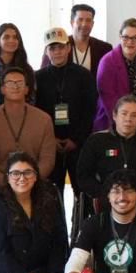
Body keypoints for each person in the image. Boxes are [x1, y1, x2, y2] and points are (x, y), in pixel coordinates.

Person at [35, 26, 96, 201]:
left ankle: (82, 220)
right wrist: (50, 139)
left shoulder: (84, 75)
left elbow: (90, 110)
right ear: (46, 51)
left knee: (83, 192)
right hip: (49, 144)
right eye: (52, 48)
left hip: (78, 143)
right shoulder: (38, 78)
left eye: (61, 47)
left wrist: (76, 139)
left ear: (69, 48)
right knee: (51, 194)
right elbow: (36, 112)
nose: (57, 52)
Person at [0, 66, 57, 198]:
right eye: (10, 83)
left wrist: (28, 182)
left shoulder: (44, 119)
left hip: (34, 185)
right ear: (2, 89)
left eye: (20, 82)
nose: (15, 86)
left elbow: (47, 160)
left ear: (27, 89)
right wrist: (8, 183)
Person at [76, 95, 136, 205]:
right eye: (124, 114)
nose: (128, 119)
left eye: (134, 115)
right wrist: (105, 195)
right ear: (114, 115)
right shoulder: (96, 141)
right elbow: (84, 175)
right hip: (105, 199)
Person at [94, 18, 136, 132]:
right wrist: (124, 123)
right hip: (111, 122)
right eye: (126, 37)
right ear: (120, 37)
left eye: (135, 38)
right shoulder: (107, 61)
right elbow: (108, 97)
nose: (130, 42)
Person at [42, 4, 113, 79]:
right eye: (80, 20)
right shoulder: (56, 46)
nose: (84, 24)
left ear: (92, 24)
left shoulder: (105, 48)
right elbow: (45, 74)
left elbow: (108, 76)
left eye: (88, 20)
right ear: (72, 22)